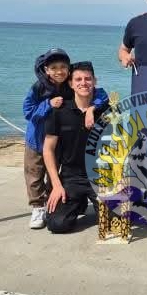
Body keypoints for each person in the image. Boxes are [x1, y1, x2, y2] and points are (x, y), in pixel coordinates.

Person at [43, 62, 109, 234]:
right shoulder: (59, 111)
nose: (83, 83)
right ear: (71, 84)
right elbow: (48, 149)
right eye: (78, 79)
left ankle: (89, 201)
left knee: (115, 224)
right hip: (71, 176)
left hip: (99, 176)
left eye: (88, 79)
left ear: (94, 81)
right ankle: (77, 202)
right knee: (57, 224)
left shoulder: (108, 112)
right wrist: (56, 185)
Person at [22, 47, 72, 229]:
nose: (59, 71)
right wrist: (48, 104)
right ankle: (37, 207)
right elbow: (28, 112)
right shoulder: (38, 87)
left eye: (63, 67)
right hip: (36, 140)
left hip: (58, 141)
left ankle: (53, 201)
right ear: (46, 69)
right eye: (54, 67)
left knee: (54, 173)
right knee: (34, 174)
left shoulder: (71, 84)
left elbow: (91, 93)